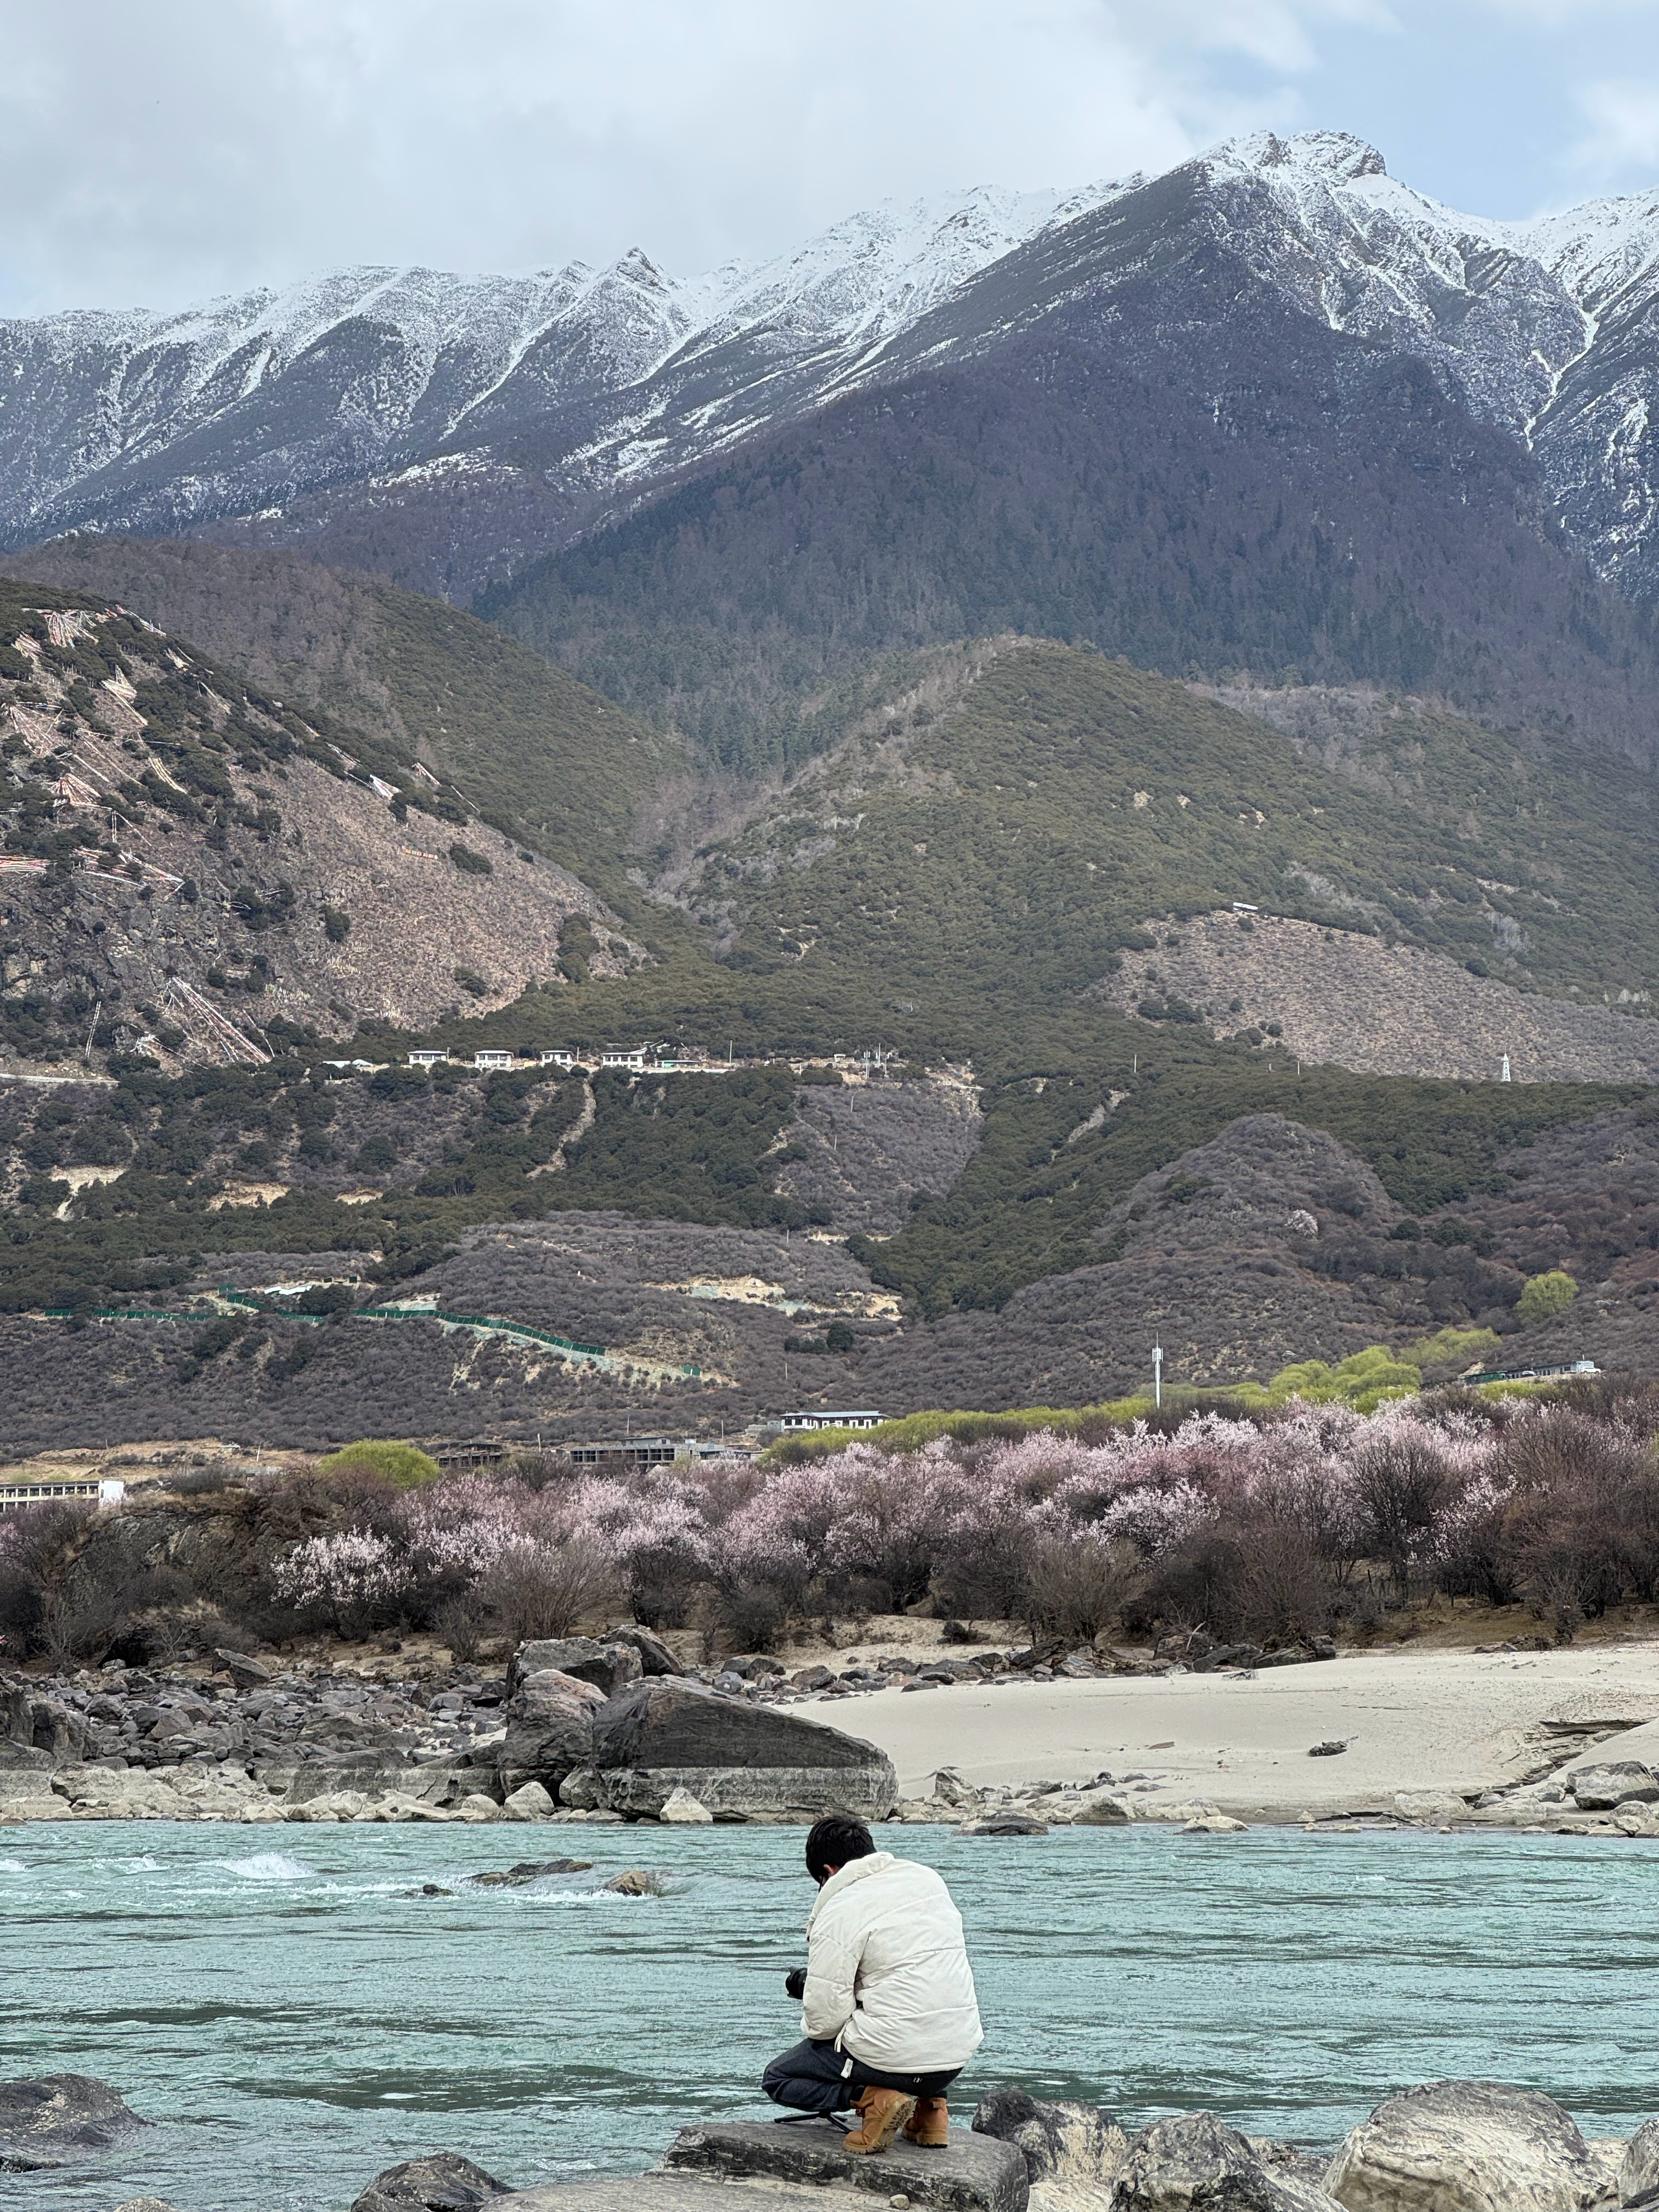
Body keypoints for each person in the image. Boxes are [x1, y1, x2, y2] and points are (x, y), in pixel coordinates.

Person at [761, 1813, 984, 2155]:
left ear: (828, 1871)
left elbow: (823, 2024)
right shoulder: (927, 1881)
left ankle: (874, 2101)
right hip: (954, 2059)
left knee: (779, 2078)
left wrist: (812, 1995)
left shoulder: (840, 1908)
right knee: (923, 2007)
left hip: (897, 2063)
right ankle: (931, 2115)